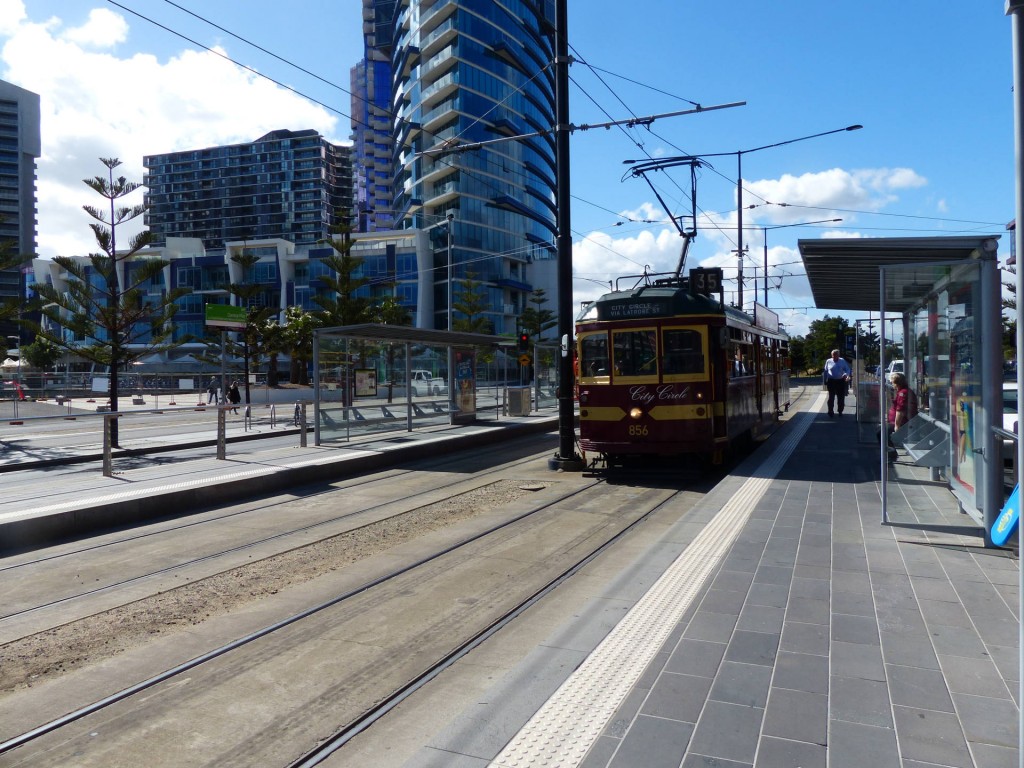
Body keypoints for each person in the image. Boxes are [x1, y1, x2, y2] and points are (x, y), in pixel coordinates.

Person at [886, 372, 916, 460]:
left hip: (903, 422)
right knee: (882, 433)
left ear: (897, 383)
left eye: (892, 383)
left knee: (882, 434)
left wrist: (896, 426)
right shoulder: (902, 391)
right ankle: (891, 453)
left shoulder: (903, 393)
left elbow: (900, 410)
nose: (892, 385)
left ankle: (891, 454)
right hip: (898, 421)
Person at [822, 349, 852, 417]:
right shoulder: (828, 361)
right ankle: (830, 410)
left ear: (838, 355)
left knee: (841, 397)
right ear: (831, 355)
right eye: (833, 355)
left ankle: (840, 410)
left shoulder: (842, 361)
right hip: (831, 381)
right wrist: (825, 380)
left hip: (840, 380)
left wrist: (846, 375)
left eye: (836, 355)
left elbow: (847, 369)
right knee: (831, 397)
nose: (834, 357)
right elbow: (826, 371)